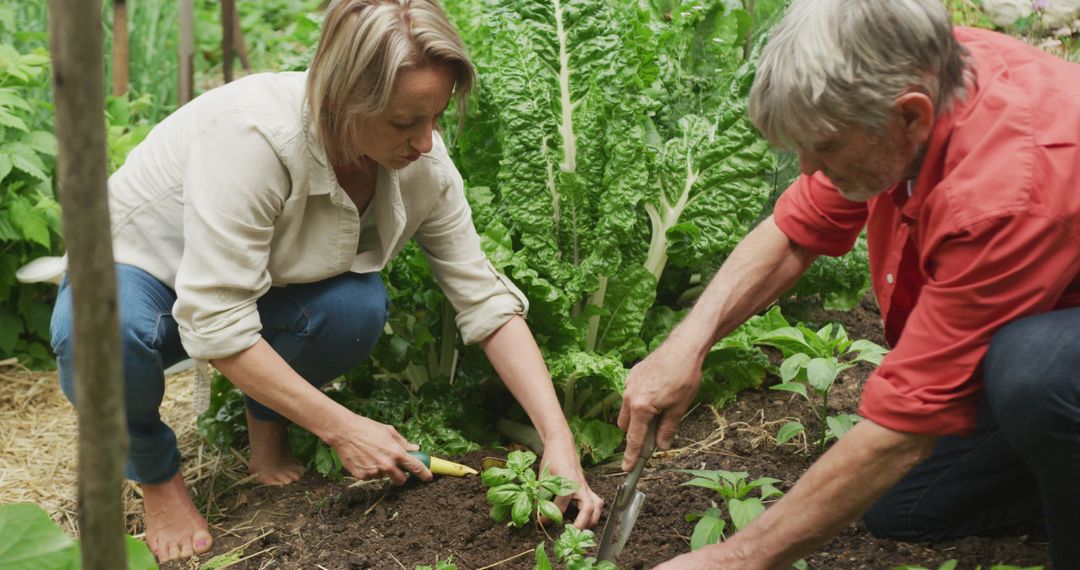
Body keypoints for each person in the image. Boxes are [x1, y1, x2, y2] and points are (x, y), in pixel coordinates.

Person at [49, 0, 602, 562]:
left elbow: (485, 300)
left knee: (353, 310)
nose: (426, 143)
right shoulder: (254, 138)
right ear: (343, 97)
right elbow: (215, 320)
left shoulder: (424, 168)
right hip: (142, 273)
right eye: (405, 122)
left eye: (435, 118)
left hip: (253, 281)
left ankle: (268, 426)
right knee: (98, 337)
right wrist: (344, 429)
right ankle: (158, 477)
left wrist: (557, 439)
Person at [617, 0, 1080, 567]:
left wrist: (738, 557)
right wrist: (685, 345)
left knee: (1034, 371)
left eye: (827, 146)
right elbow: (796, 232)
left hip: (1057, 352)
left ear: (911, 116)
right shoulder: (909, 75)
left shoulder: (1004, 190)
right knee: (904, 507)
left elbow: (909, 423)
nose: (810, 167)